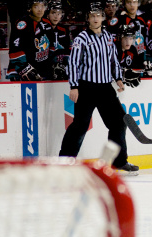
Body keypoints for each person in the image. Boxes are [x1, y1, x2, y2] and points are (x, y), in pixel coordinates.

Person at [59, 2, 139, 174]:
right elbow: (73, 63)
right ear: (88, 18)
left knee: (119, 123)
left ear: (103, 17)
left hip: (105, 89)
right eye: (92, 16)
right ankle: (65, 161)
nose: (95, 19)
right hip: (86, 88)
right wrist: (74, 86)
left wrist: (118, 78)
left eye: (98, 15)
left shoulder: (108, 37)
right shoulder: (81, 38)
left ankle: (119, 161)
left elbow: (113, 60)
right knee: (80, 126)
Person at [6, 0, 54, 81]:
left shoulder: (47, 24)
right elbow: (15, 48)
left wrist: (53, 64)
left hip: (41, 70)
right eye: (36, 6)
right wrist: (24, 67)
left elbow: (51, 47)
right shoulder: (23, 23)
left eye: (42, 6)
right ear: (30, 8)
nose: (40, 9)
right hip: (21, 72)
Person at [45, 0, 71, 80]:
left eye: (59, 13)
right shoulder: (42, 29)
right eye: (53, 13)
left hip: (61, 66)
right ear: (48, 14)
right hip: (45, 66)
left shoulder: (64, 30)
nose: (56, 16)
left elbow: (68, 50)